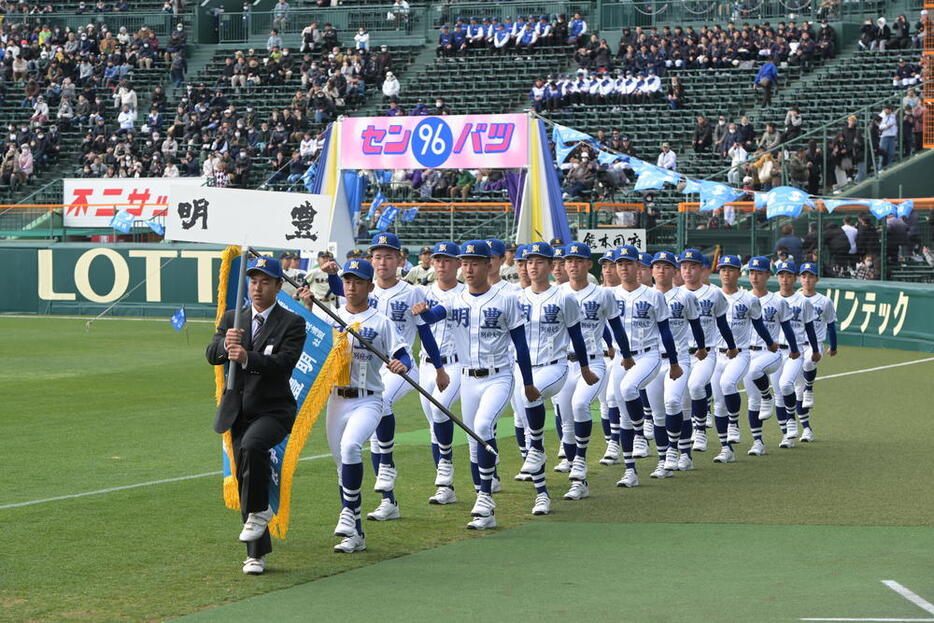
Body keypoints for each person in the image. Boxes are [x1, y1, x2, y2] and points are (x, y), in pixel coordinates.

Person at [414, 240, 538, 530]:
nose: (468, 268)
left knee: (482, 427)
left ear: (488, 265)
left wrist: (528, 383)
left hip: (499, 376)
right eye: (465, 262)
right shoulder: (455, 300)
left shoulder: (505, 300)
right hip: (468, 377)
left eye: (474, 262)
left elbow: (521, 345)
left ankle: (484, 497)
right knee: (473, 440)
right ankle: (485, 503)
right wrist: (422, 311)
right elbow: (431, 318)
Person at [323, 233, 446, 521]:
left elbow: (438, 311)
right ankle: (388, 501)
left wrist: (427, 314)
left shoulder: (413, 290)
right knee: (362, 435)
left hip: (400, 366)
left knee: (383, 402)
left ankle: (387, 466)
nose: (382, 262)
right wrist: (331, 278)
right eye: (377, 256)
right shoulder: (366, 288)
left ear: (400, 260)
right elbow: (344, 298)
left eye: (388, 256)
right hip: (365, 369)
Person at [298, 258, 411, 553]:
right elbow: (310, 343)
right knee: (341, 466)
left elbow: (403, 353)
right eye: (347, 281)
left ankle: (348, 514)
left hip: (368, 399)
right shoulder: (331, 316)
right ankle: (356, 534)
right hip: (336, 399)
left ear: (369, 286)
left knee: (350, 448)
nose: (351, 286)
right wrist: (308, 307)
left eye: (358, 281)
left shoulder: (381, 321)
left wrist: (402, 365)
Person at [205, 256, 306, 575]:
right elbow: (211, 355)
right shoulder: (234, 317)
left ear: (278, 286)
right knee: (245, 474)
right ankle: (256, 554)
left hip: (274, 410)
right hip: (237, 410)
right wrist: (224, 344)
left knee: (252, 447)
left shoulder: (292, 323)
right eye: (253, 280)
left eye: (265, 281)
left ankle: (260, 513)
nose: (257, 287)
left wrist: (248, 357)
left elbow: (284, 364)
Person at [554, 243, 632, 499]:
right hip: (564, 362)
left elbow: (616, 327)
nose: (573, 264)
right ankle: (574, 469)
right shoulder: (557, 293)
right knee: (565, 418)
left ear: (589, 264)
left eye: (578, 260)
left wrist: (625, 353)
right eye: (569, 260)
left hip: (594, 360)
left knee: (580, 405)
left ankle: (580, 467)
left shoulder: (602, 294)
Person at [609, 245, 682, 487]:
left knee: (638, 396)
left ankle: (658, 454)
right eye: (620, 263)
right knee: (623, 415)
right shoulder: (610, 295)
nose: (624, 268)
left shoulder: (653, 295)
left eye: (629, 263)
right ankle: (630, 470)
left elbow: (666, 332)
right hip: (622, 357)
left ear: (640, 268)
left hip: (649, 355)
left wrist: (673, 362)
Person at [644, 251, 707, 476]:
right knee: (658, 414)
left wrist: (701, 347)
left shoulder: (685, 297)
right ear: (651, 271)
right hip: (651, 359)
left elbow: (696, 325)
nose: (661, 270)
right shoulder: (645, 296)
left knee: (673, 402)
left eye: (666, 266)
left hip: (679, 359)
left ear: (674, 271)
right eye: (657, 266)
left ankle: (676, 451)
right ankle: (664, 460)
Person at [709, 255, 777, 464]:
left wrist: (770, 342)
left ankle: (746, 432)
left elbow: (759, 324)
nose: (726, 273)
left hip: (740, 353)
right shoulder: (711, 296)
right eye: (722, 269)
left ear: (739, 273)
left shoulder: (748, 299)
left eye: (731, 269)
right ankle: (725, 448)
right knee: (718, 403)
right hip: (716, 354)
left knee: (731, 385)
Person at [414, 242, 464, 505]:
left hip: (456, 364)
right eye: (438, 260)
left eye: (447, 260)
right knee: (434, 427)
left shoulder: (467, 293)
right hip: (425, 364)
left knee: (439, 410)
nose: (442, 264)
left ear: (458, 264)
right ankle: (446, 488)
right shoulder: (420, 292)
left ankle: (445, 475)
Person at [679, 249, 736, 456]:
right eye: (684, 266)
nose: (687, 270)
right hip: (681, 354)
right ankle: (685, 454)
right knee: (682, 400)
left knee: (695, 386)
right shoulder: (675, 294)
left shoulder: (713, 293)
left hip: (706, 353)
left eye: (692, 266)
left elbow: (722, 323)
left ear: (702, 269)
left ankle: (700, 429)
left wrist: (731, 345)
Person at [744, 256, 801, 456]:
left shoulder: (777, 301)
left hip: (770, 353)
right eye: (751, 272)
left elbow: (787, 327)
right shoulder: (743, 299)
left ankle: (787, 431)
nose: (755, 276)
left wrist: (794, 349)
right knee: (753, 399)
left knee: (780, 391)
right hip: (747, 352)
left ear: (768, 275)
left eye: (759, 272)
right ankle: (757, 441)